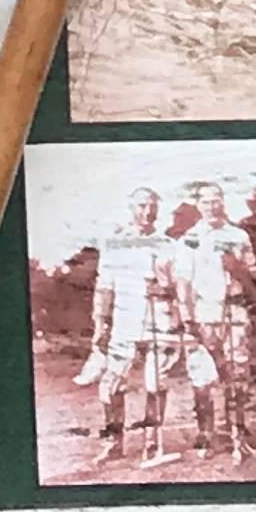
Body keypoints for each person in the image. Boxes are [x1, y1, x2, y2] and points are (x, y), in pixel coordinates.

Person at [82, 183, 180, 461]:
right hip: (125, 321)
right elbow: (104, 288)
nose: (147, 211)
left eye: (152, 206)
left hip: (159, 320)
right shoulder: (115, 244)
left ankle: (152, 442)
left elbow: (181, 287)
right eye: (142, 205)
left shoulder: (169, 245)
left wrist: (164, 289)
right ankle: (114, 442)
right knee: (111, 385)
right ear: (131, 207)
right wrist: (100, 324)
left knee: (155, 384)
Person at [171, 177, 256, 460]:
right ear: (198, 205)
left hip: (234, 311)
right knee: (203, 375)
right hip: (202, 312)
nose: (211, 206)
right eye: (205, 201)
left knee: (237, 373)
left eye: (216, 199)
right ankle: (205, 436)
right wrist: (188, 318)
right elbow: (183, 283)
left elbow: (253, 278)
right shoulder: (189, 239)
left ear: (223, 201)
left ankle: (239, 434)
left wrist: (236, 269)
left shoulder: (239, 236)